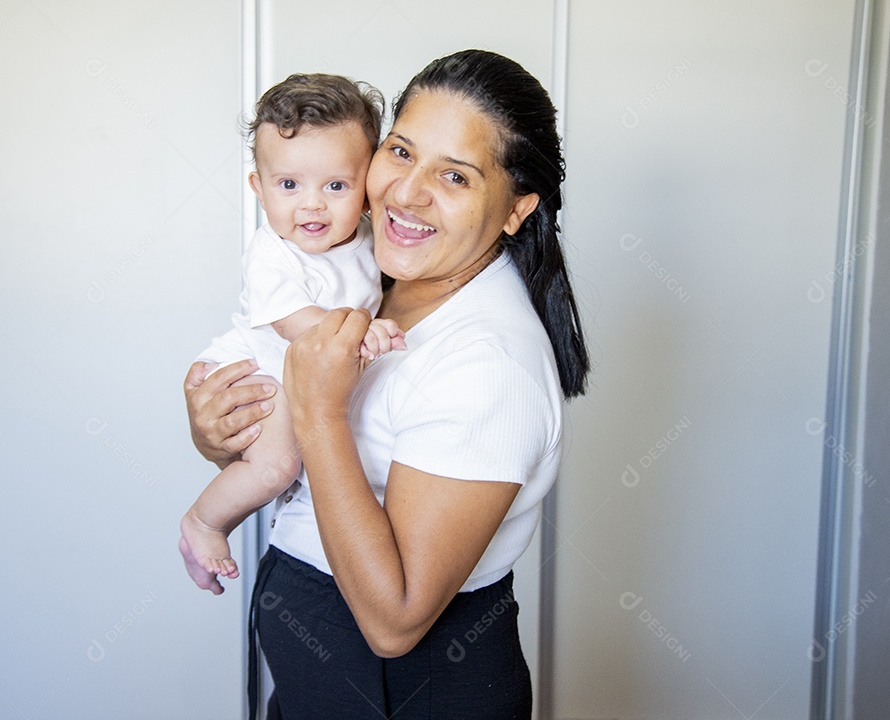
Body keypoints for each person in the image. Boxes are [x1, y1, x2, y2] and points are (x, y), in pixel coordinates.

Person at [184, 49, 589, 719]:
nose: (406, 191)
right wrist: (221, 429)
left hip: (408, 689)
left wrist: (316, 412)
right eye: (401, 152)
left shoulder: (490, 365)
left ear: (517, 209)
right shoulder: (380, 276)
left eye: (454, 176)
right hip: (326, 674)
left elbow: (395, 621)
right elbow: (301, 452)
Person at [179, 73, 405, 593]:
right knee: (278, 466)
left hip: (295, 371)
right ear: (258, 188)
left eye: (335, 186)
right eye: (289, 185)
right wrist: (358, 333)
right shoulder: (271, 253)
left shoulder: (369, 238)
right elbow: (289, 322)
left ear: (367, 186)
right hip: (256, 367)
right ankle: (204, 523)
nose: (312, 205)